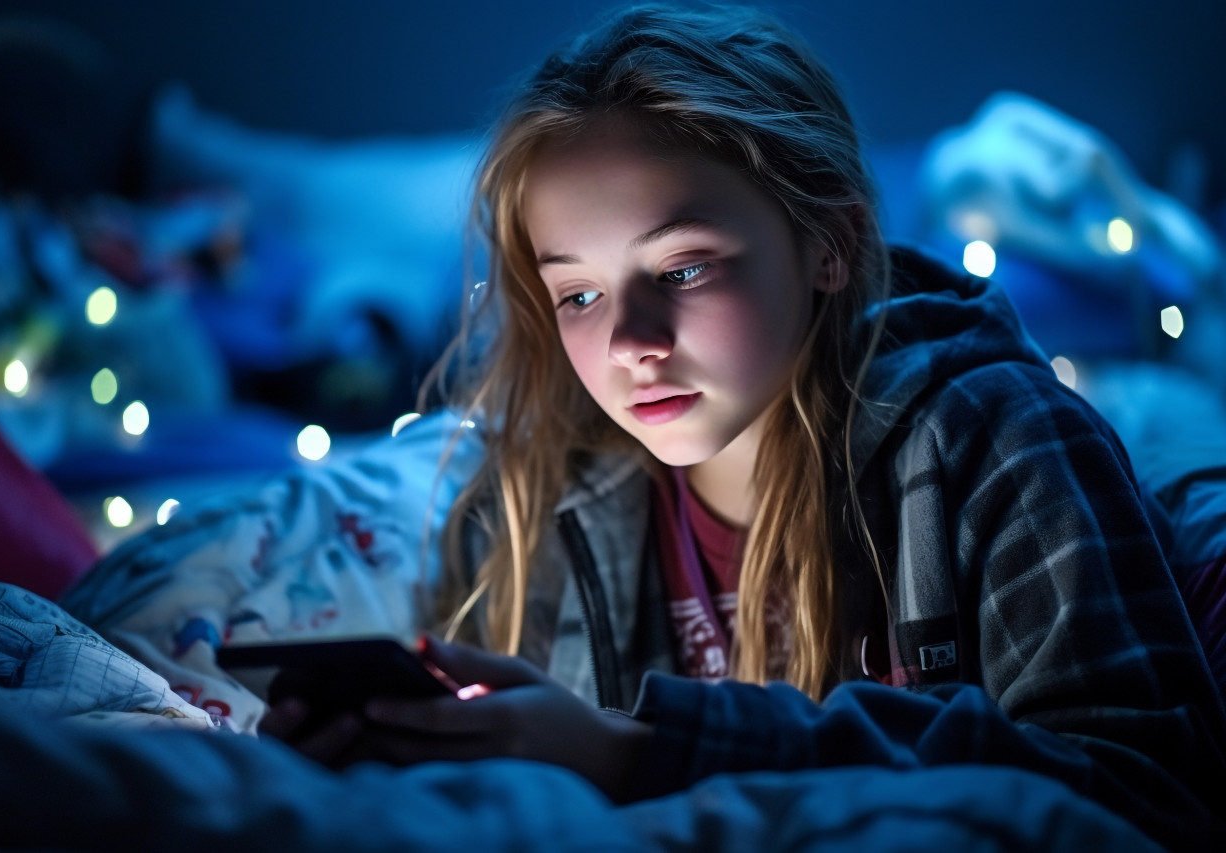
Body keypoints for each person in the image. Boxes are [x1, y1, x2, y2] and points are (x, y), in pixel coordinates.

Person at [61, 4, 1222, 850]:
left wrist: (636, 750)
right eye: (578, 291)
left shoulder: (985, 438)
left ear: (826, 242)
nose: (627, 341)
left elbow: (1142, 795)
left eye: (682, 268)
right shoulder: (545, 495)